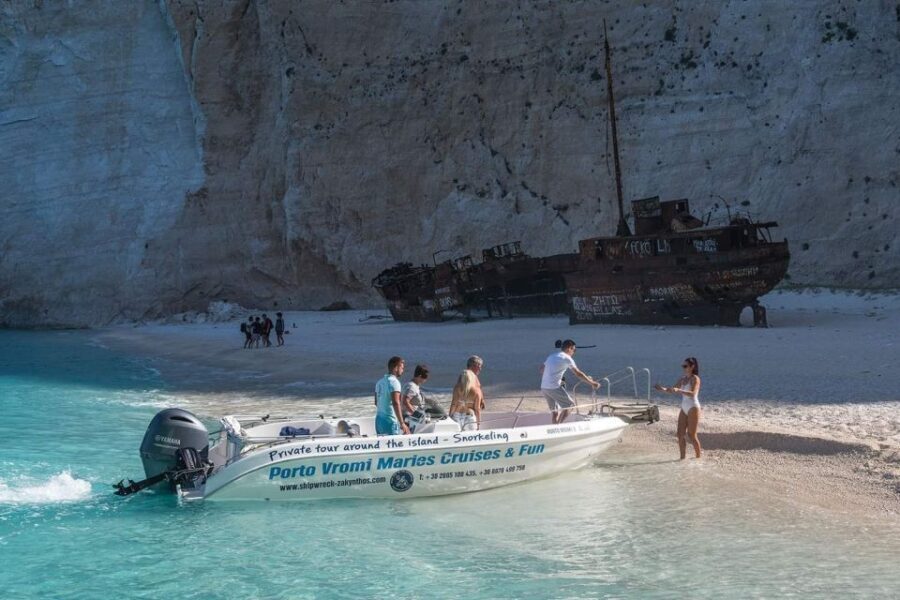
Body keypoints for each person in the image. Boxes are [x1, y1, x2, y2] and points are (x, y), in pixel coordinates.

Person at [540, 339, 600, 424]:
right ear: (569, 348)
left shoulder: (552, 356)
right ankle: (558, 427)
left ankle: (554, 428)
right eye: (574, 350)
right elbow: (578, 373)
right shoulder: (567, 358)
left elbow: (541, 369)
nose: (574, 352)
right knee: (570, 405)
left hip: (544, 387)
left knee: (555, 412)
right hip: (554, 387)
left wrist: (553, 377)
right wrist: (592, 383)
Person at [655, 357, 702, 459]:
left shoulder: (695, 379)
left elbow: (693, 393)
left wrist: (679, 390)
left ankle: (698, 458)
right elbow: (672, 390)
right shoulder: (682, 379)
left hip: (693, 407)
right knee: (680, 434)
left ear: (692, 367)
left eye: (685, 366)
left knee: (692, 435)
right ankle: (682, 459)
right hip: (684, 407)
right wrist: (662, 389)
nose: (683, 368)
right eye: (683, 366)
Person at [374, 356, 410, 435]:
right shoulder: (394, 382)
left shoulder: (379, 382)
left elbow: (376, 403)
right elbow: (396, 403)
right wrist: (402, 423)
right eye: (402, 368)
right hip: (390, 422)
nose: (403, 370)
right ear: (396, 368)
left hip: (379, 421)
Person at [448, 356, 484, 431]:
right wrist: (478, 424)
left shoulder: (465, 376)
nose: (480, 369)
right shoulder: (470, 377)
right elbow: (476, 392)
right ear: (473, 365)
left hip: (458, 414)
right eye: (479, 366)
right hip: (469, 414)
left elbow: (455, 402)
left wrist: (449, 418)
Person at [401, 364, 429, 432]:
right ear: (419, 376)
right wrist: (416, 415)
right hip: (409, 419)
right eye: (425, 378)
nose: (426, 380)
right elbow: (405, 401)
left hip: (411, 418)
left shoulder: (412, 385)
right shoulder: (412, 387)